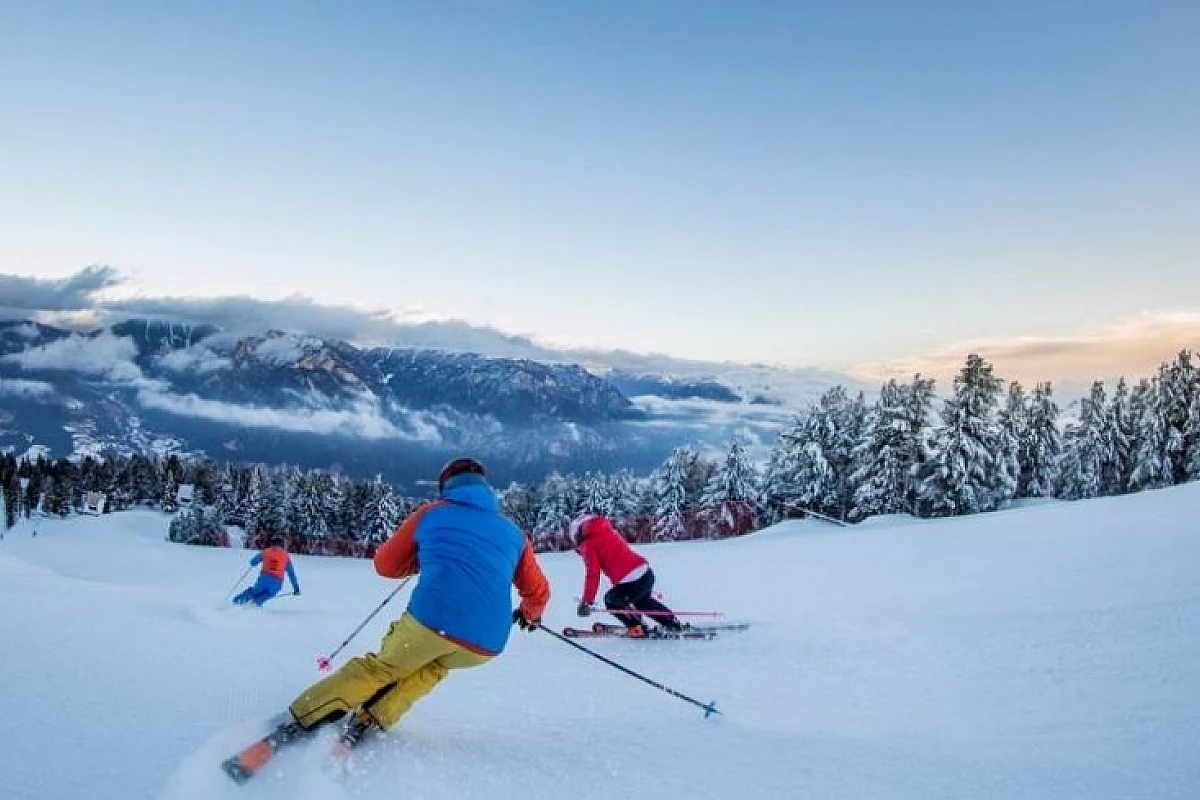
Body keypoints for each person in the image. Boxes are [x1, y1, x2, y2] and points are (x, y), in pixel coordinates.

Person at [287, 456, 549, 752]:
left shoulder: (432, 513)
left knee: (381, 668)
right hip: (486, 644)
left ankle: (302, 716)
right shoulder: (513, 533)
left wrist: (422, 561)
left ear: (446, 486)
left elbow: (385, 565)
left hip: (432, 622)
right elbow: (538, 591)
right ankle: (375, 716)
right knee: (433, 666)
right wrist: (530, 615)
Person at [571, 513, 683, 637]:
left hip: (631, 582)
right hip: (646, 574)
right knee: (642, 602)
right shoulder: (608, 532)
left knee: (611, 600)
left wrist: (586, 601)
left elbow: (593, 573)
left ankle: (636, 627)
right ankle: (671, 622)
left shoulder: (588, 544)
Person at [233, 535, 301, 606]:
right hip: (277, 582)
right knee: (268, 594)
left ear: (272, 543)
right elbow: (291, 574)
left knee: (254, 592)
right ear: (282, 545)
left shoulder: (266, 551)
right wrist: (296, 587)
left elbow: (253, 561)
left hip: (264, 578)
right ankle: (254, 605)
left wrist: (255, 563)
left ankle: (236, 602)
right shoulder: (286, 556)